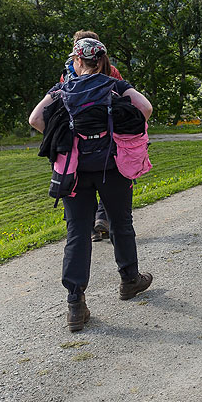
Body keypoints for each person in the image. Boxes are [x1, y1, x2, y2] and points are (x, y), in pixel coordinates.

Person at [30, 38, 154, 332]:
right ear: (102, 61)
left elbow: (35, 119)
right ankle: (129, 280)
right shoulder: (114, 86)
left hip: (73, 171)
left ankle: (75, 304)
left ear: (77, 60)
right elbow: (146, 109)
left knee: (77, 234)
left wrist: (64, 134)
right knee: (121, 224)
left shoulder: (61, 89)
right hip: (112, 168)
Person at [60, 30, 124, 243]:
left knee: (78, 186)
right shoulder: (112, 72)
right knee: (111, 182)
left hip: (76, 142)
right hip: (106, 137)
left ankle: (90, 229)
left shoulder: (66, 75)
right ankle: (106, 222)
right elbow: (127, 103)